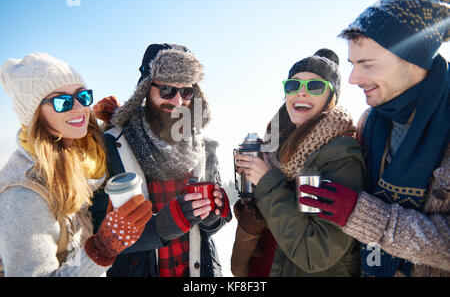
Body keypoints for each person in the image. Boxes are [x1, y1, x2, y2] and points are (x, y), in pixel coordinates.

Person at [299, 0, 450, 276]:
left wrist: (362, 215)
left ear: (413, 60)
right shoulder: (369, 121)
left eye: (368, 64)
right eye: (353, 64)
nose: (354, 79)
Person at [0, 53, 152, 276]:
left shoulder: (83, 154)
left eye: (82, 95)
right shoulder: (24, 193)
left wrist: (121, 117)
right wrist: (102, 249)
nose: (79, 108)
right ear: (35, 115)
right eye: (63, 102)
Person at [90, 43, 232, 277]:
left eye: (186, 91)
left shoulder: (204, 146)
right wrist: (160, 228)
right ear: (145, 89)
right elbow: (97, 233)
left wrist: (214, 216)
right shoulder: (112, 146)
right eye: (167, 90)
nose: (178, 102)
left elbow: (209, 229)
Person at [231, 48, 366, 276]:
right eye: (293, 86)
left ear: (332, 97)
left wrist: (266, 181)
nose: (301, 93)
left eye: (315, 86)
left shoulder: (342, 154)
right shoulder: (278, 148)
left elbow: (316, 252)